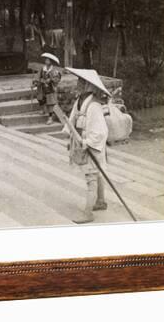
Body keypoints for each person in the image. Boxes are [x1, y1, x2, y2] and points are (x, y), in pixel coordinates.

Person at [64, 68, 110, 224]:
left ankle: (88, 212)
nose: (78, 84)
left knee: (92, 177)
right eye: (79, 81)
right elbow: (71, 120)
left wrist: (87, 143)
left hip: (92, 145)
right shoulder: (80, 101)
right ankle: (101, 201)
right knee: (97, 173)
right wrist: (70, 138)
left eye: (82, 82)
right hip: (82, 142)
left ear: (89, 86)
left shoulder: (94, 106)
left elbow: (101, 132)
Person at [33, 52, 61, 125]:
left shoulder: (54, 70)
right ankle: (42, 110)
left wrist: (51, 80)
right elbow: (38, 75)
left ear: (51, 62)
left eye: (48, 60)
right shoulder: (43, 68)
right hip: (42, 87)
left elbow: (57, 78)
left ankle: (50, 118)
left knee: (50, 103)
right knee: (41, 99)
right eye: (46, 60)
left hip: (50, 88)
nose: (46, 61)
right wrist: (36, 81)